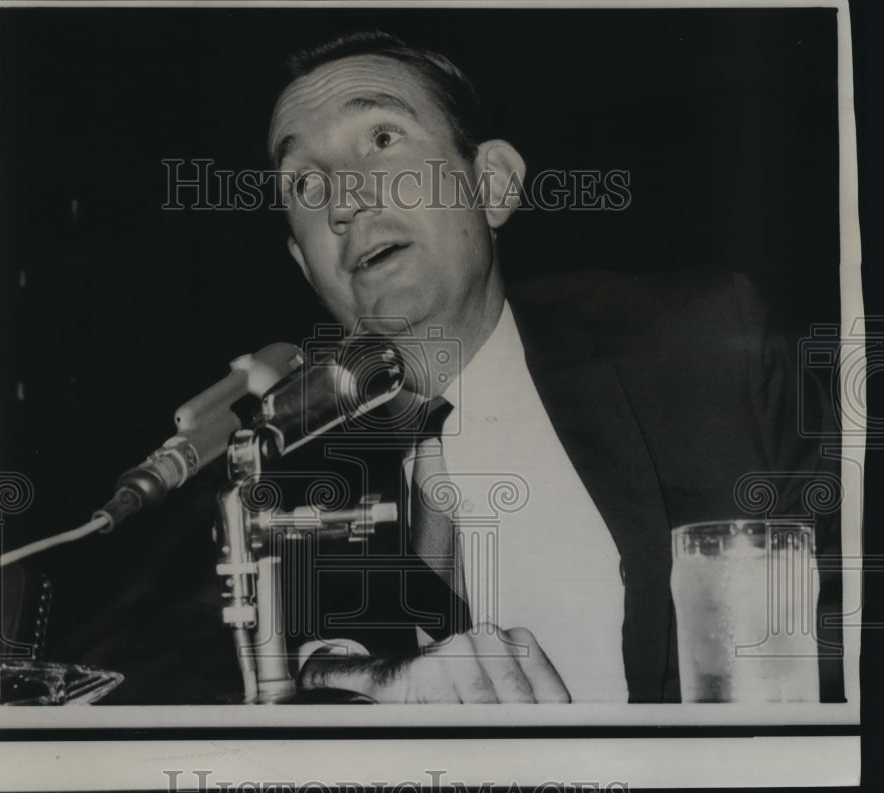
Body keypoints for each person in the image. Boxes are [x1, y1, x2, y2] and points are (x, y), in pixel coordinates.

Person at [265, 30, 842, 704]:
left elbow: (854, 610)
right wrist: (353, 678)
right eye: (303, 181)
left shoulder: (704, 346)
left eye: (382, 140)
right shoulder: (286, 461)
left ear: (493, 184)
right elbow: (151, 650)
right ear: (304, 265)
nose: (344, 201)